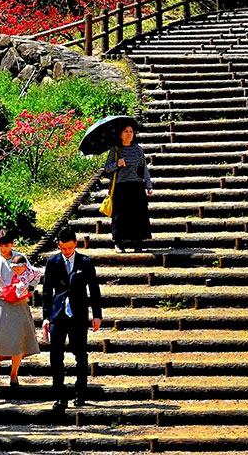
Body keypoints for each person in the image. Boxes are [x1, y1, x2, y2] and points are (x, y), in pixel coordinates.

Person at [41, 226, 102, 413]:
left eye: (69, 247)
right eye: (62, 248)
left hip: (79, 312)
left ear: (75, 244)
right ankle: (59, 394)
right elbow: (46, 291)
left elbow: (94, 289)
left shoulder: (85, 262)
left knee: (80, 353)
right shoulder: (52, 262)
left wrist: (97, 314)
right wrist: (45, 317)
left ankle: (81, 391)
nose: (66, 251)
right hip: (58, 313)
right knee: (56, 354)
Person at [0, 229, 40, 398]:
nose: (3, 248)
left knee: (18, 341)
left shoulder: (20, 257)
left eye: (7, 245)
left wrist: (29, 289)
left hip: (18, 303)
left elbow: (33, 276)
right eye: (0, 245)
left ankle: (14, 374)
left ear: (12, 243)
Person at [102, 122, 153, 250]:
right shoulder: (115, 149)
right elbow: (106, 168)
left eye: (131, 131)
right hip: (121, 187)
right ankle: (119, 243)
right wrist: (117, 165)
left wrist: (148, 185)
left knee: (138, 215)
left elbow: (144, 168)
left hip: (136, 186)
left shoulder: (138, 149)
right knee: (120, 216)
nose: (129, 134)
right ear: (120, 134)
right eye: (126, 131)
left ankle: (138, 243)